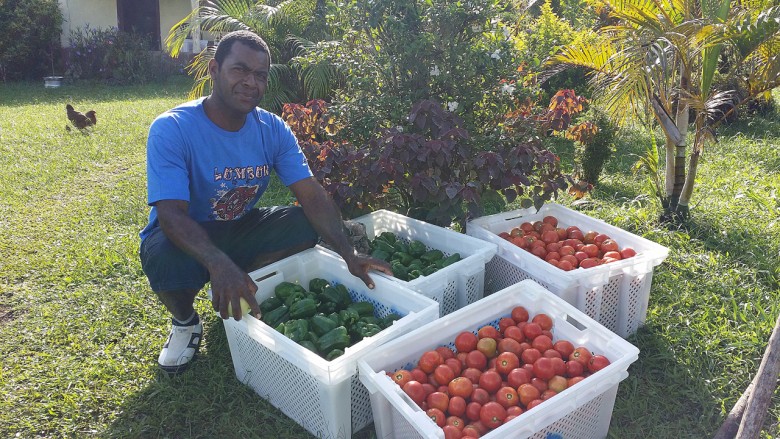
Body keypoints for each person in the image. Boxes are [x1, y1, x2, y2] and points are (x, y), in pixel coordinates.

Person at [139, 30, 391, 375]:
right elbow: (169, 214)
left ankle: (247, 284)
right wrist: (217, 262)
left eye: (260, 75)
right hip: (187, 232)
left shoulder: (272, 128)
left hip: (241, 225)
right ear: (214, 69)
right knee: (164, 258)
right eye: (240, 70)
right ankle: (185, 322)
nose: (250, 83)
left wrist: (349, 252)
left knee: (303, 223)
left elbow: (311, 193)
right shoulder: (172, 128)